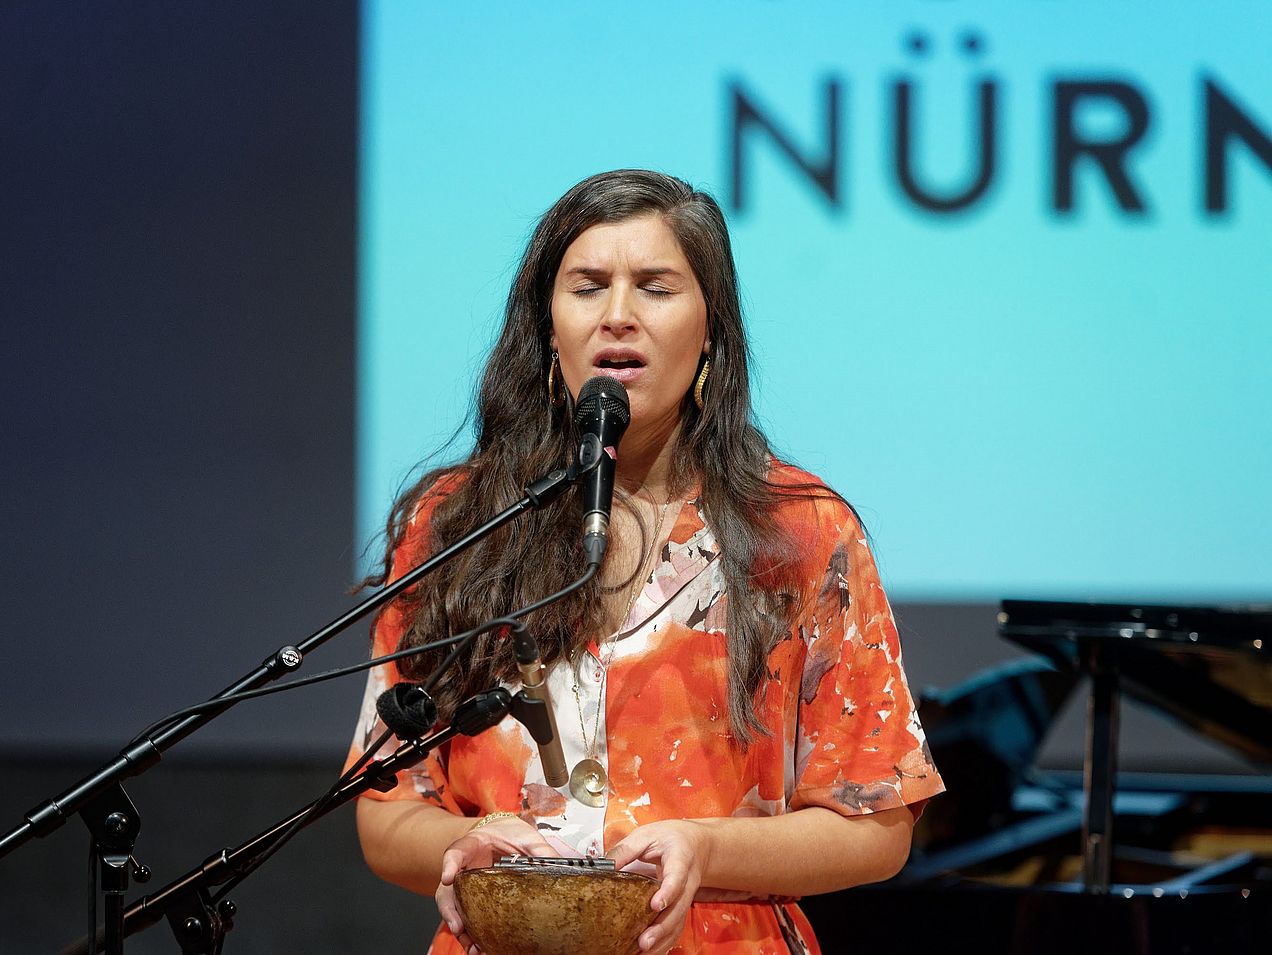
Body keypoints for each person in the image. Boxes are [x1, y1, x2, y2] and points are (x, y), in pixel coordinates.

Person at [346, 169, 944, 955]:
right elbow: (385, 809)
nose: (618, 316)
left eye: (656, 288)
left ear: (711, 332)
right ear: (546, 324)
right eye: (588, 286)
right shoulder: (456, 526)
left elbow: (877, 827)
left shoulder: (800, 530)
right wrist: (470, 843)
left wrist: (706, 849)